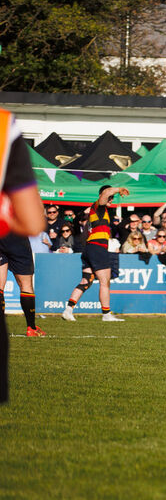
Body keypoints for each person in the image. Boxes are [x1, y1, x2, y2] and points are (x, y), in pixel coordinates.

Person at [0, 108, 47, 402]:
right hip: (11, 233)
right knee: (26, 286)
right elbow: (33, 221)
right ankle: (31, 327)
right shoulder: (5, 125)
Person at [61, 185, 129, 322]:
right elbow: (105, 192)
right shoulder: (98, 207)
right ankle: (106, 314)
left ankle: (68, 310)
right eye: (110, 197)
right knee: (105, 282)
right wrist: (119, 189)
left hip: (89, 248)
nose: (111, 199)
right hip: (97, 248)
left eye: (112, 198)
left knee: (86, 281)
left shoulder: (99, 211)